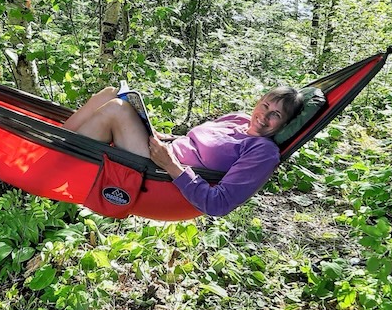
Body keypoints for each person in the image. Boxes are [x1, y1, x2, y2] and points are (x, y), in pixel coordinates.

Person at [62, 86, 304, 216]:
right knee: (109, 93)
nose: (265, 116)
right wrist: (162, 137)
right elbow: (193, 140)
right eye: (265, 106)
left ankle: (59, 153)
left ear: (285, 124)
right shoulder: (238, 120)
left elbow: (219, 204)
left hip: (162, 178)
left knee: (116, 109)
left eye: (276, 115)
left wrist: (170, 165)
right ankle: (54, 140)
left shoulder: (262, 151)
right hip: (159, 154)